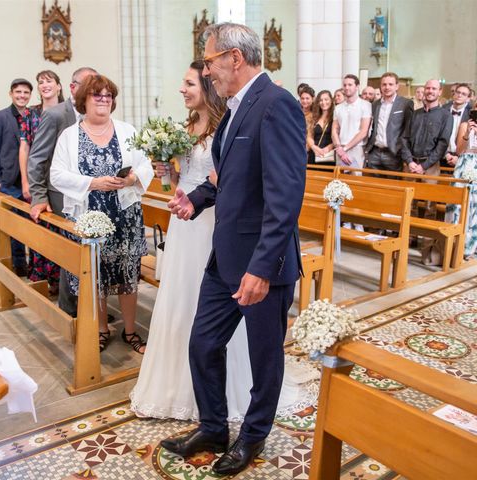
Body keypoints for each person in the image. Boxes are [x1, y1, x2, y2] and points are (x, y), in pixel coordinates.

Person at [160, 23, 305, 476]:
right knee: (203, 342)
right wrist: (196, 199)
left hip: (263, 264)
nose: (207, 72)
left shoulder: (276, 105)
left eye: (210, 61)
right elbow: (229, 175)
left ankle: (254, 435)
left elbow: (284, 197)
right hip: (225, 258)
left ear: (234, 59)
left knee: (265, 357)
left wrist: (262, 268)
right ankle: (213, 426)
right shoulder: (237, 108)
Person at [130, 60, 252, 420]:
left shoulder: (221, 126)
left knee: (206, 296)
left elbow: (218, 177)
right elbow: (178, 180)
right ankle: (175, 380)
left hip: (209, 220)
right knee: (179, 293)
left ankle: (218, 389)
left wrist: (189, 190)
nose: (182, 90)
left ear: (207, 88)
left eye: (189, 84)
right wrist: (168, 172)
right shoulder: (186, 125)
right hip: (182, 216)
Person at [50, 75, 154, 354]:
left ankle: (131, 331)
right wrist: (93, 183)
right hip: (89, 217)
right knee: (95, 274)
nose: (104, 100)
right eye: (97, 95)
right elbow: (56, 175)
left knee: (127, 273)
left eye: (108, 95)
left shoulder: (127, 131)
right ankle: (101, 329)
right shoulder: (70, 136)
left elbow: (146, 166)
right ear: (84, 99)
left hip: (125, 215)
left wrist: (132, 179)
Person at [28, 66, 97, 316]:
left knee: (87, 250)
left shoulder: (95, 113)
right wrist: (38, 196)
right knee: (72, 253)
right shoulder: (57, 115)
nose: (94, 93)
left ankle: (90, 307)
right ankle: (71, 310)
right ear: (72, 87)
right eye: (88, 87)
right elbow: (36, 158)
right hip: (60, 196)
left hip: (87, 193)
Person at [18, 70, 64, 293]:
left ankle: (61, 280)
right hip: (39, 177)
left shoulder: (69, 111)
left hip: (61, 178)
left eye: (49, 81)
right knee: (41, 227)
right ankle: (43, 278)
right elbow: (25, 148)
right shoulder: (31, 113)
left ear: (59, 86)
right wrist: (26, 182)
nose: (44, 85)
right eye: (40, 82)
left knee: (60, 230)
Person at [0, 78, 32, 277]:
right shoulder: (0, 117)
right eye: (18, 92)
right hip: (9, 180)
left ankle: (34, 264)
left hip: (30, 178)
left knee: (32, 222)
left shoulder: (34, 116)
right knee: (16, 223)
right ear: (11, 94)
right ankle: (19, 264)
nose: (22, 96)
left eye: (25, 93)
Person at [401, 79, 453, 178]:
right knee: (405, 192)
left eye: (434, 88)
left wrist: (424, 166)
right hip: (410, 165)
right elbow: (404, 138)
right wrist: (409, 161)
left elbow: (442, 144)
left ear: (440, 92)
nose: (430, 91)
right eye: (428, 88)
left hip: (430, 166)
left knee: (427, 194)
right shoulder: (415, 114)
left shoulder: (446, 116)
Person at [365, 72, 414, 172]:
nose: (387, 87)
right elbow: (372, 127)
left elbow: (407, 130)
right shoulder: (375, 104)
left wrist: (402, 151)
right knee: (374, 185)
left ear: (397, 86)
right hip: (375, 153)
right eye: (384, 84)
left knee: (392, 185)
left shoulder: (405, 104)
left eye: (390, 84)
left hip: (394, 153)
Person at [446, 104, 477, 257]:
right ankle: (455, 246)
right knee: (458, 207)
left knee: (475, 209)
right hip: (464, 165)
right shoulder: (465, 125)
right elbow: (458, 150)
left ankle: (471, 246)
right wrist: (468, 134)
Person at [332, 74, 372, 171]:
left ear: (357, 86)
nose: (346, 87)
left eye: (350, 85)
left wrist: (345, 148)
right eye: (345, 85)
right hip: (340, 149)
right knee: (339, 182)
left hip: (357, 148)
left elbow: (363, 131)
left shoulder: (366, 105)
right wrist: (339, 148)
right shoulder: (338, 108)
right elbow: (334, 130)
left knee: (356, 181)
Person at [442, 82, 472, 168]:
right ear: (454, 94)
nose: (459, 95)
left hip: (463, 159)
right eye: (458, 92)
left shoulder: (472, 113)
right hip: (442, 156)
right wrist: (446, 154)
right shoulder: (443, 109)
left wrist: (458, 157)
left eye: (464, 94)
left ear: (468, 98)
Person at [307, 90, 335, 166]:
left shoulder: (336, 116)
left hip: (329, 155)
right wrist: (314, 147)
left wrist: (328, 148)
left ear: (331, 100)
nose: (323, 102)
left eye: (326, 99)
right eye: (321, 100)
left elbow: (339, 136)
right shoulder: (314, 117)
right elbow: (309, 136)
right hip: (314, 153)